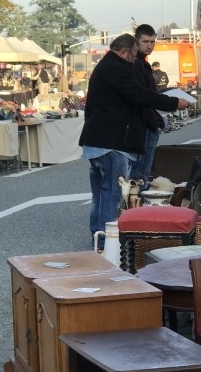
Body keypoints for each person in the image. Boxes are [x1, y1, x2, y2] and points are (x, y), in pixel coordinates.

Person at [79, 34, 191, 250]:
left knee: (100, 193)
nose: (134, 60)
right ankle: (105, 240)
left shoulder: (105, 67)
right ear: (124, 52)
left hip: (97, 141)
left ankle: (98, 234)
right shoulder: (117, 69)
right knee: (112, 193)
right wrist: (174, 102)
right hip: (111, 142)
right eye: (133, 55)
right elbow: (140, 94)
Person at [129, 24, 178, 189]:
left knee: (141, 173)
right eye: (145, 41)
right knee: (140, 174)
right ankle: (136, 208)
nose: (149, 45)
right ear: (136, 41)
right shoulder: (137, 64)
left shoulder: (142, 63)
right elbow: (143, 96)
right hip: (144, 125)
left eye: (152, 41)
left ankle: (135, 205)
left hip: (146, 122)